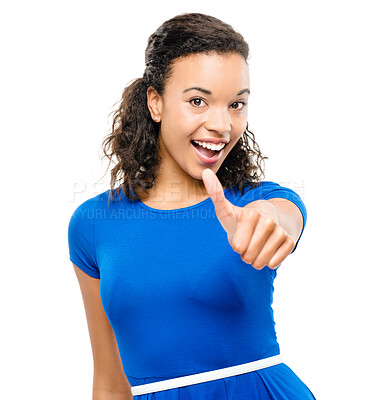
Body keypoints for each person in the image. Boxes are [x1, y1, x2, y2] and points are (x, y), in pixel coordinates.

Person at [68, 12, 316, 399]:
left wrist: (270, 220)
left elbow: (285, 216)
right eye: (198, 101)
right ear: (155, 102)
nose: (223, 124)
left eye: (237, 104)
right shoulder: (92, 225)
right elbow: (110, 382)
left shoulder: (259, 201)